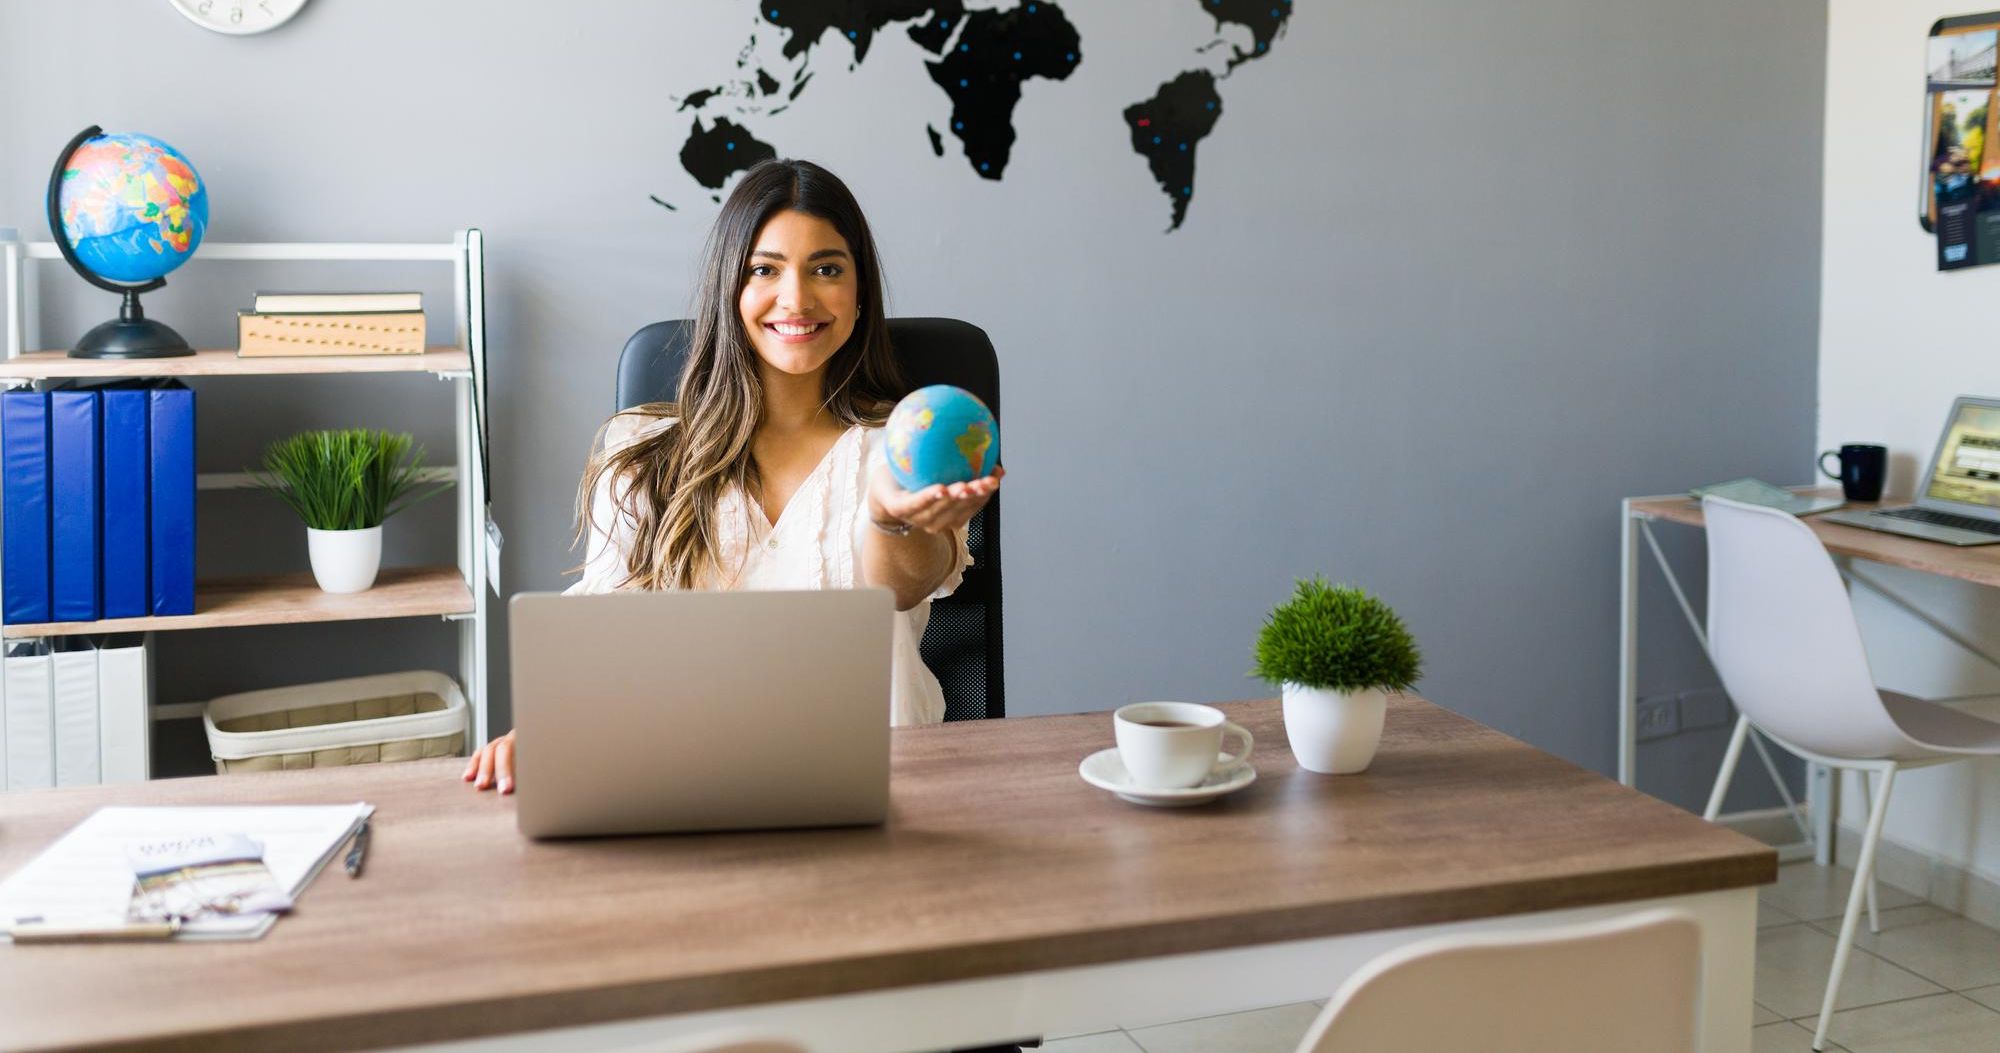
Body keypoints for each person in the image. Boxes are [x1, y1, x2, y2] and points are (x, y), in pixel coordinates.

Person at [463, 158, 1001, 794]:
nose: (796, 298)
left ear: (859, 297)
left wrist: (888, 515)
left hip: (886, 790)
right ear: (730, 290)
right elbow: (607, 638)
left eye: (826, 269)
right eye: (764, 270)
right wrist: (553, 728)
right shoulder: (642, 452)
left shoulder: (898, 453)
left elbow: (905, 587)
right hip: (686, 786)